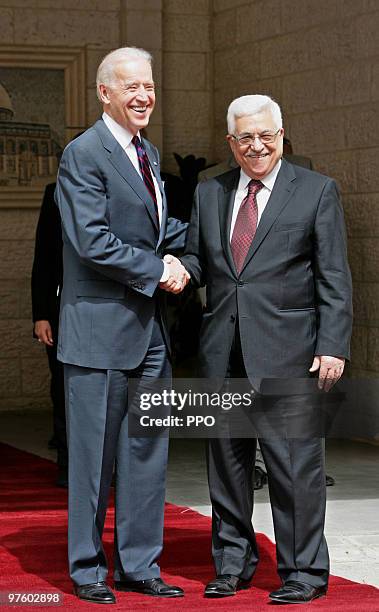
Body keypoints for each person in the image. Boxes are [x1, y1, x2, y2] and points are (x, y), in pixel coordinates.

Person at [181, 95, 352, 604]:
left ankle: (303, 572)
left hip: (290, 352)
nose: (256, 146)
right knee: (228, 469)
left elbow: (334, 277)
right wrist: (170, 272)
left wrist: (334, 344)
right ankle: (232, 565)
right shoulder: (208, 194)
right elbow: (197, 260)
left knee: (295, 468)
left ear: (281, 136)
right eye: (245, 138)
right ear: (231, 143)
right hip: (222, 351)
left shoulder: (317, 191)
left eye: (266, 136)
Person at [55, 47, 189, 604]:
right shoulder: (83, 154)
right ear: (104, 92)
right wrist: (158, 270)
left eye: (150, 86)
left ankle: (139, 566)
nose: (144, 96)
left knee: (145, 456)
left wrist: (186, 259)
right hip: (97, 335)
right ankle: (87, 570)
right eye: (131, 86)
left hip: (149, 334)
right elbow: (91, 242)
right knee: (93, 462)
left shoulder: (148, 153)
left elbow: (160, 231)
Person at [31, 180, 68, 488]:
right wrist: (41, 314)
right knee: (63, 387)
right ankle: (68, 465)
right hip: (60, 310)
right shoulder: (55, 191)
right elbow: (43, 255)